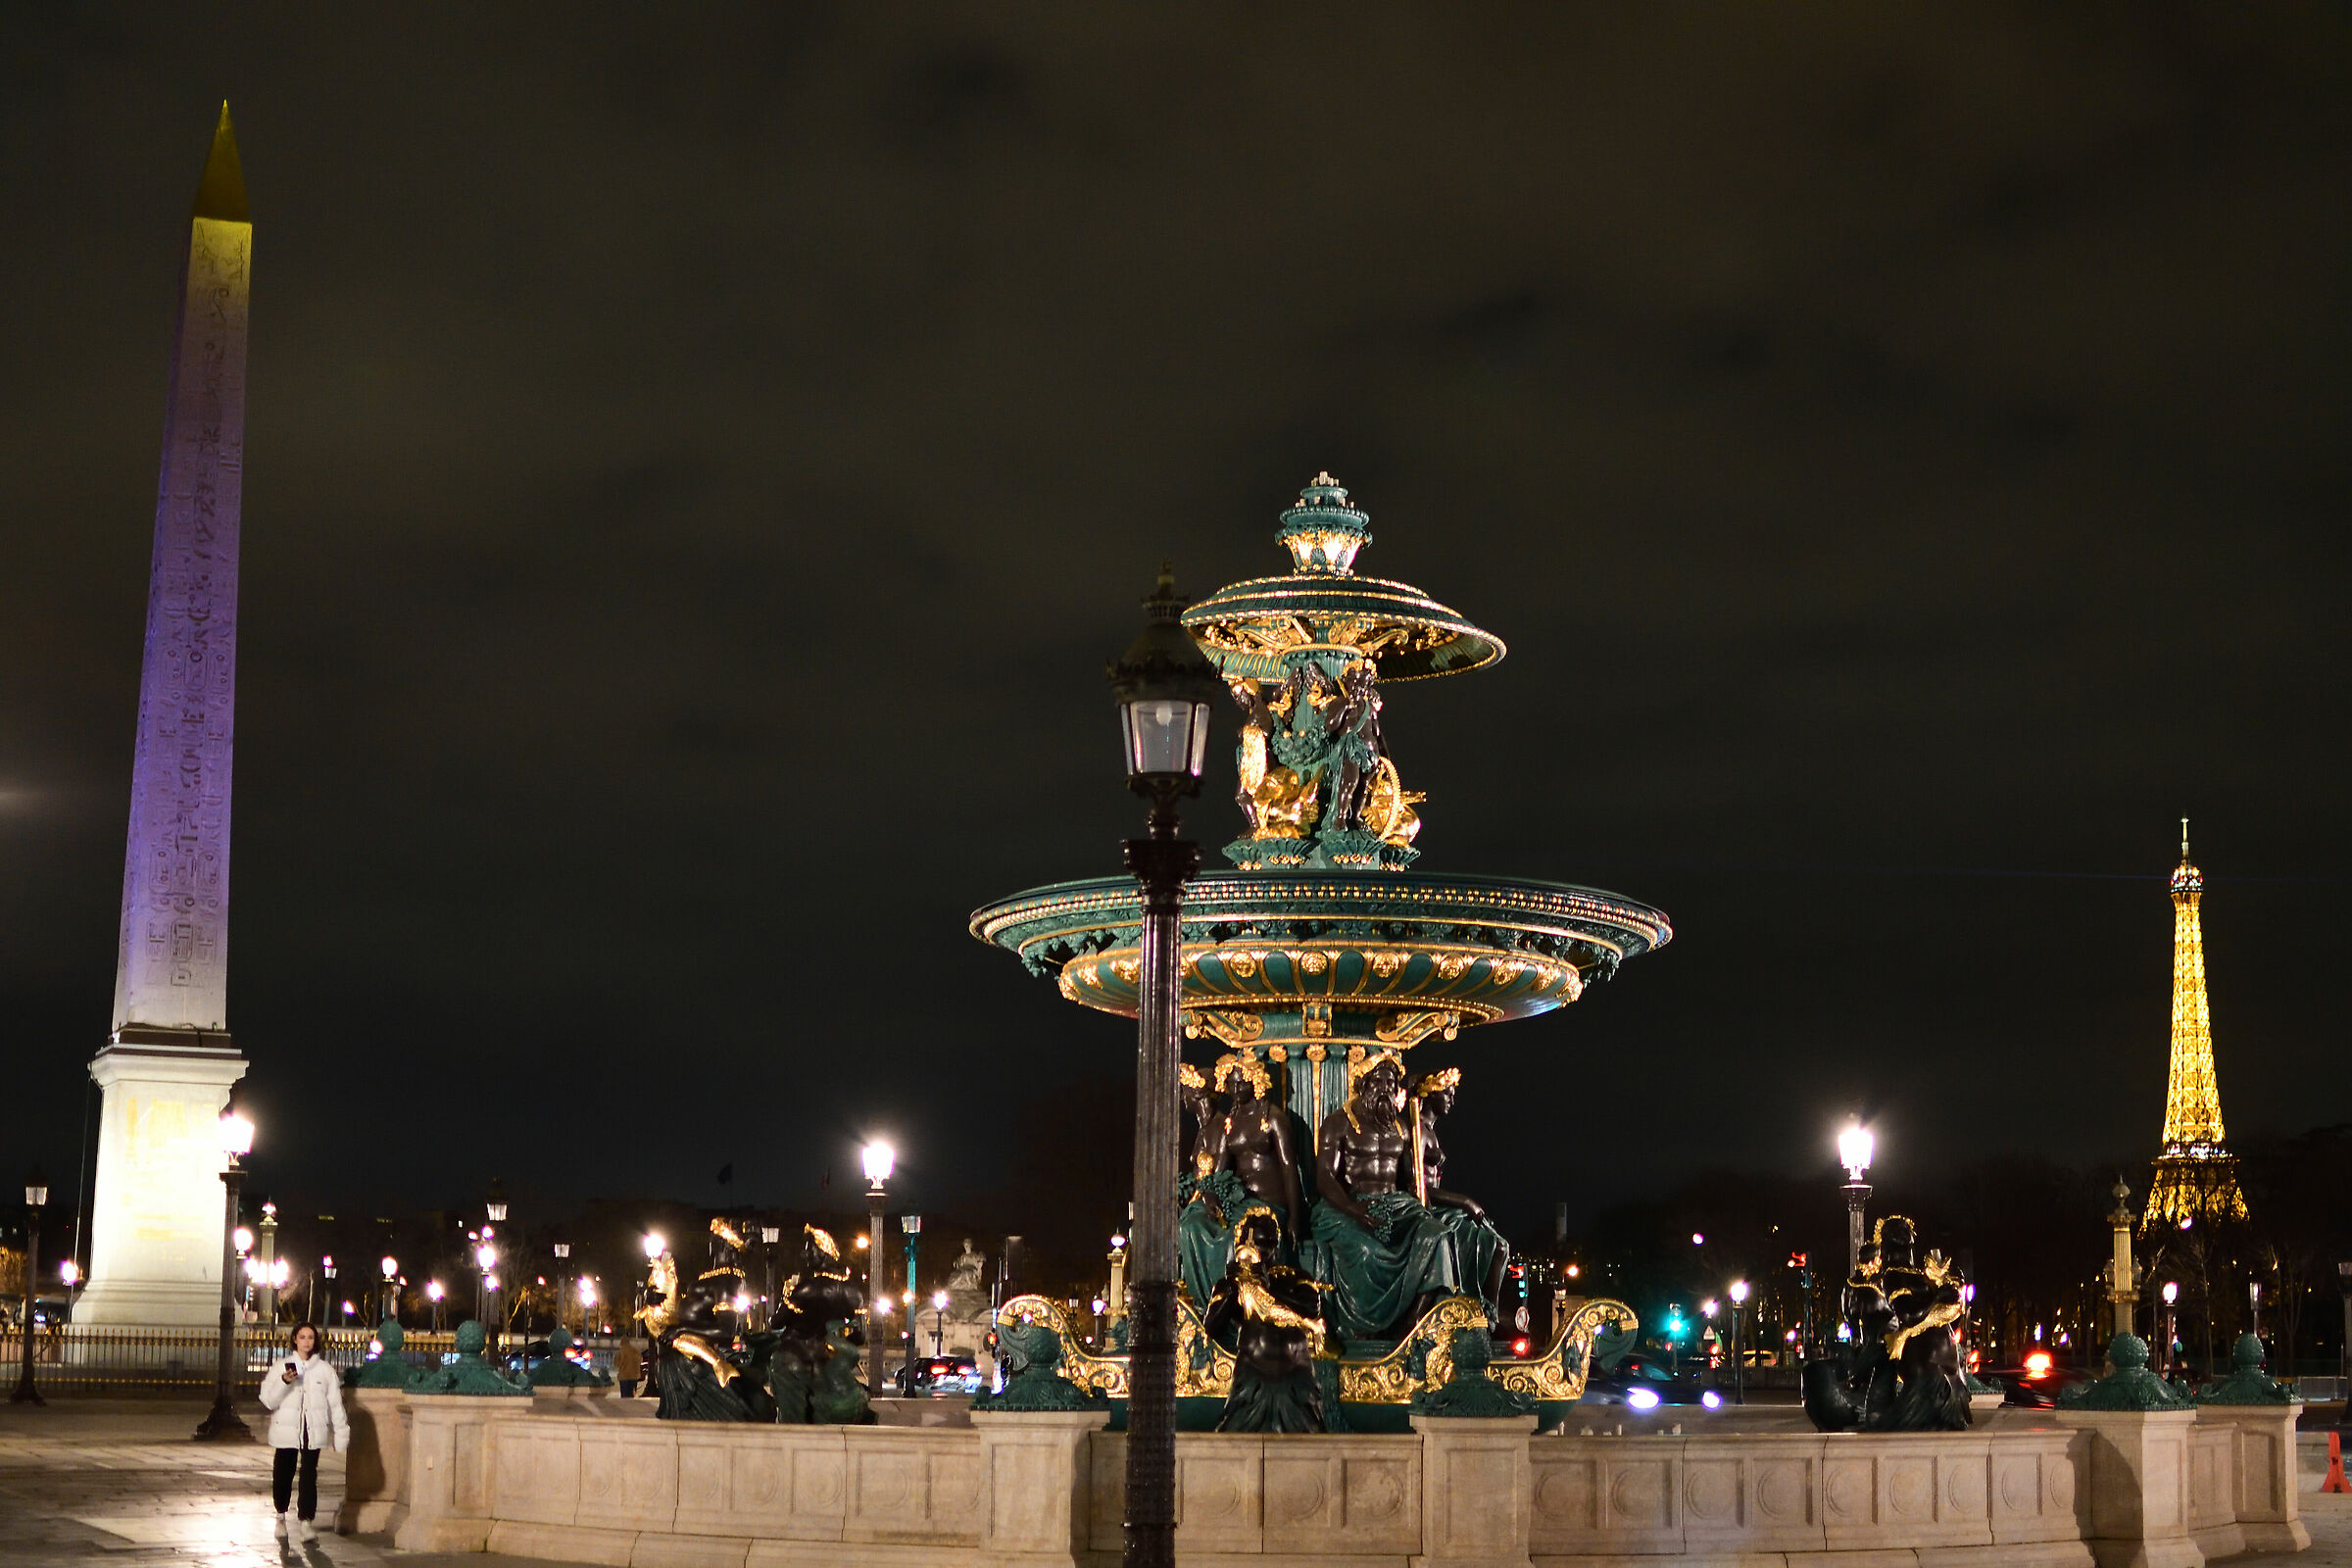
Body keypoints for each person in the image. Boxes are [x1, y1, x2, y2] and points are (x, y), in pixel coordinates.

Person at [258, 1322, 349, 1542]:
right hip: (286, 1431)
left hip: (313, 1430)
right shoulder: (281, 1366)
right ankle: (280, 1517)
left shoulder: (325, 1371)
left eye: (310, 1337)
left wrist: (341, 1433)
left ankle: (306, 1522)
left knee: (309, 1477)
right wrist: (284, 1382)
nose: (306, 1341)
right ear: (295, 1340)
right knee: (283, 1475)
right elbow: (268, 1400)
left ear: (315, 1341)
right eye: (302, 1337)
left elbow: (335, 1404)